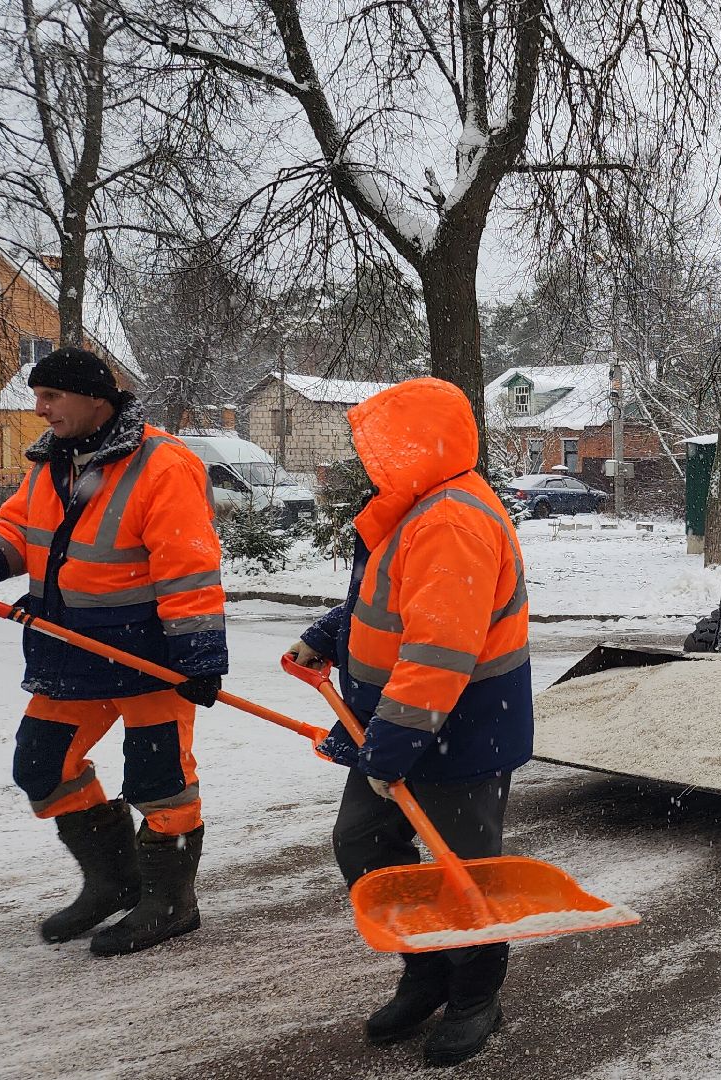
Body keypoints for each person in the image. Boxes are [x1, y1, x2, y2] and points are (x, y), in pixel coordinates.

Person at [0, 347, 226, 955]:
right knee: (42, 765)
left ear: (95, 399)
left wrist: (199, 657)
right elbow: (18, 530)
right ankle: (116, 881)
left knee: (161, 782)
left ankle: (171, 901)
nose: (40, 410)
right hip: (68, 651)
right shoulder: (52, 461)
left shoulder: (162, 464)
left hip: (148, 659)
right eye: (38, 397)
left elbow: (188, 568)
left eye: (51, 397)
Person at [285, 377, 532, 1068]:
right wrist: (328, 636)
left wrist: (392, 744)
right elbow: (387, 603)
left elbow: (437, 651)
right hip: (395, 725)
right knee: (363, 844)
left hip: (459, 729)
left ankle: (475, 994)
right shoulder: (412, 505)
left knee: (462, 868)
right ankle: (426, 969)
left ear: (420, 445)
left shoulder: (452, 519)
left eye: (381, 444)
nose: (370, 457)